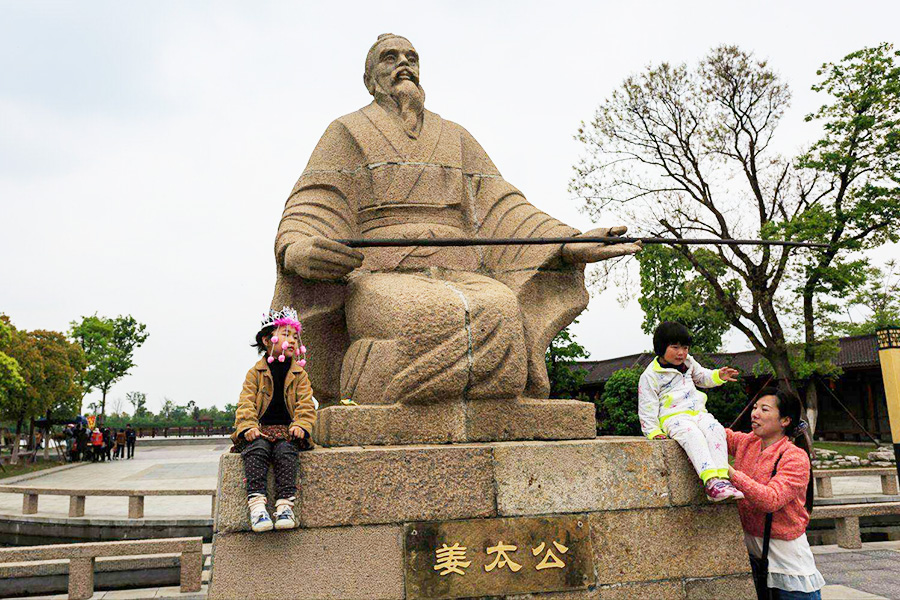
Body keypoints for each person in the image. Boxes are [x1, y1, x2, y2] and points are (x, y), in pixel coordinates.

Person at [271, 33, 641, 410]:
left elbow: (502, 205)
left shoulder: (455, 136)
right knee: (430, 315)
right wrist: (298, 246)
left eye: (411, 57)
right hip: (381, 276)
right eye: (390, 57)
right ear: (369, 79)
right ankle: (369, 382)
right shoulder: (347, 131)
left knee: (502, 310)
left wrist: (567, 242)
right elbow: (317, 199)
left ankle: (393, 379)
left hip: (462, 273)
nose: (404, 64)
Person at [727, 389, 824, 599]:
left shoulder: (795, 457)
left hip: (787, 561)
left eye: (764, 409)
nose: (755, 414)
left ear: (785, 420)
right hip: (755, 555)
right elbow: (715, 434)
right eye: (754, 408)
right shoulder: (748, 442)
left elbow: (771, 499)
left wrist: (731, 473)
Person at [232, 307, 317, 533]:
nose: (291, 341)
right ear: (267, 340)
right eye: (286, 335)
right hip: (260, 430)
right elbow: (246, 403)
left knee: (285, 452)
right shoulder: (255, 373)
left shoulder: (300, 374)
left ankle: (285, 505)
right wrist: (248, 426)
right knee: (256, 450)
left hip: (288, 432)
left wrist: (301, 424)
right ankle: (257, 505)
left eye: (295, 337)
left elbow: (306, 404)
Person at [638, 321, 742, 501]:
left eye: (685, 347)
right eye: (675, 347)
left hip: (698, 412)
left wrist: (718, 376)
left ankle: (722, 479)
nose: (681, 353)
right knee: (693, 435)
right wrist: (653, 432)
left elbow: (702, 377)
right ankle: (710, 481)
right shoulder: (650, 376)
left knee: (716, 429)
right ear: (661, 347)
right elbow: (647, 407)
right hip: (674, 418)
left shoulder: (688, 363)